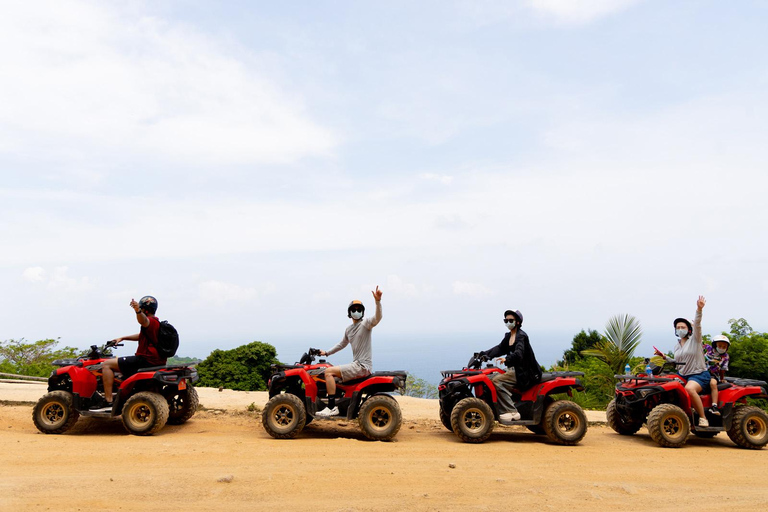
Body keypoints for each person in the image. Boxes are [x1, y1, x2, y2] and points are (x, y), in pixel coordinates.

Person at [316, 286, 383, 417]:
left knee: (328, 372)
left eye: (359, 310)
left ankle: (331, 407)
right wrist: (326, 353)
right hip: (357, 365)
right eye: (354, 309)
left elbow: (377, 318)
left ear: (362, 313)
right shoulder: (349, 329)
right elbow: (342, 344)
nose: (356, 311)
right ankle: (340, 402)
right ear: (349, 312)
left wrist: (378, 302)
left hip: (362, 366)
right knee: (333, 377)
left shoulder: (366, 325)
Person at [92, 296, 167, 411]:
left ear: (145, 310)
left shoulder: (149, 322)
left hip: (145, 360)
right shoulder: (156, 323)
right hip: (157, 360)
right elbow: (142, 336)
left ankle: (108, 400)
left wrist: (137, 310)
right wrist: (123, 338)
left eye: (142, 309)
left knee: (107, 364)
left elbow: (143, 320)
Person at [654, 295, 711, 427]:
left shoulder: (695, 340)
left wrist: (699, 309)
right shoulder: (677, 345)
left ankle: (703, 418)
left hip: (699, 374)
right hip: (683, 374)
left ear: (689, 329)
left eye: (683, 327)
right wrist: (664, 357)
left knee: (690, 389)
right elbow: (677, 362)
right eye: (678, 327)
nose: (680, 329)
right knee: (662, 381)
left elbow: (697, 324)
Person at [482, 309, 542, 422]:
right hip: (514, 370)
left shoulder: (521, 336)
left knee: (497, 381)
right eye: (506, 320)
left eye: (511, 320)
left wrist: (506, 359)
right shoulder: (509, 336)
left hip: (524, 372)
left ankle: (511, 411)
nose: (508, 322)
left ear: (518, 322)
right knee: (487, 379)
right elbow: (499, 348)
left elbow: (519, 354)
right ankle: (492, 407)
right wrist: (485, 354)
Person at [704, 334, 731, 416]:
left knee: (713, 383)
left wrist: (722, 379)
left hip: (712, 374)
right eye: (719, 346)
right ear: (715, 345)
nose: (721, 348)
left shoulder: (725, 357)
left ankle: (714, 406)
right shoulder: (708, 349)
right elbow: (698, 343)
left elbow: (723, 369)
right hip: (700, 371)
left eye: (724, 347)